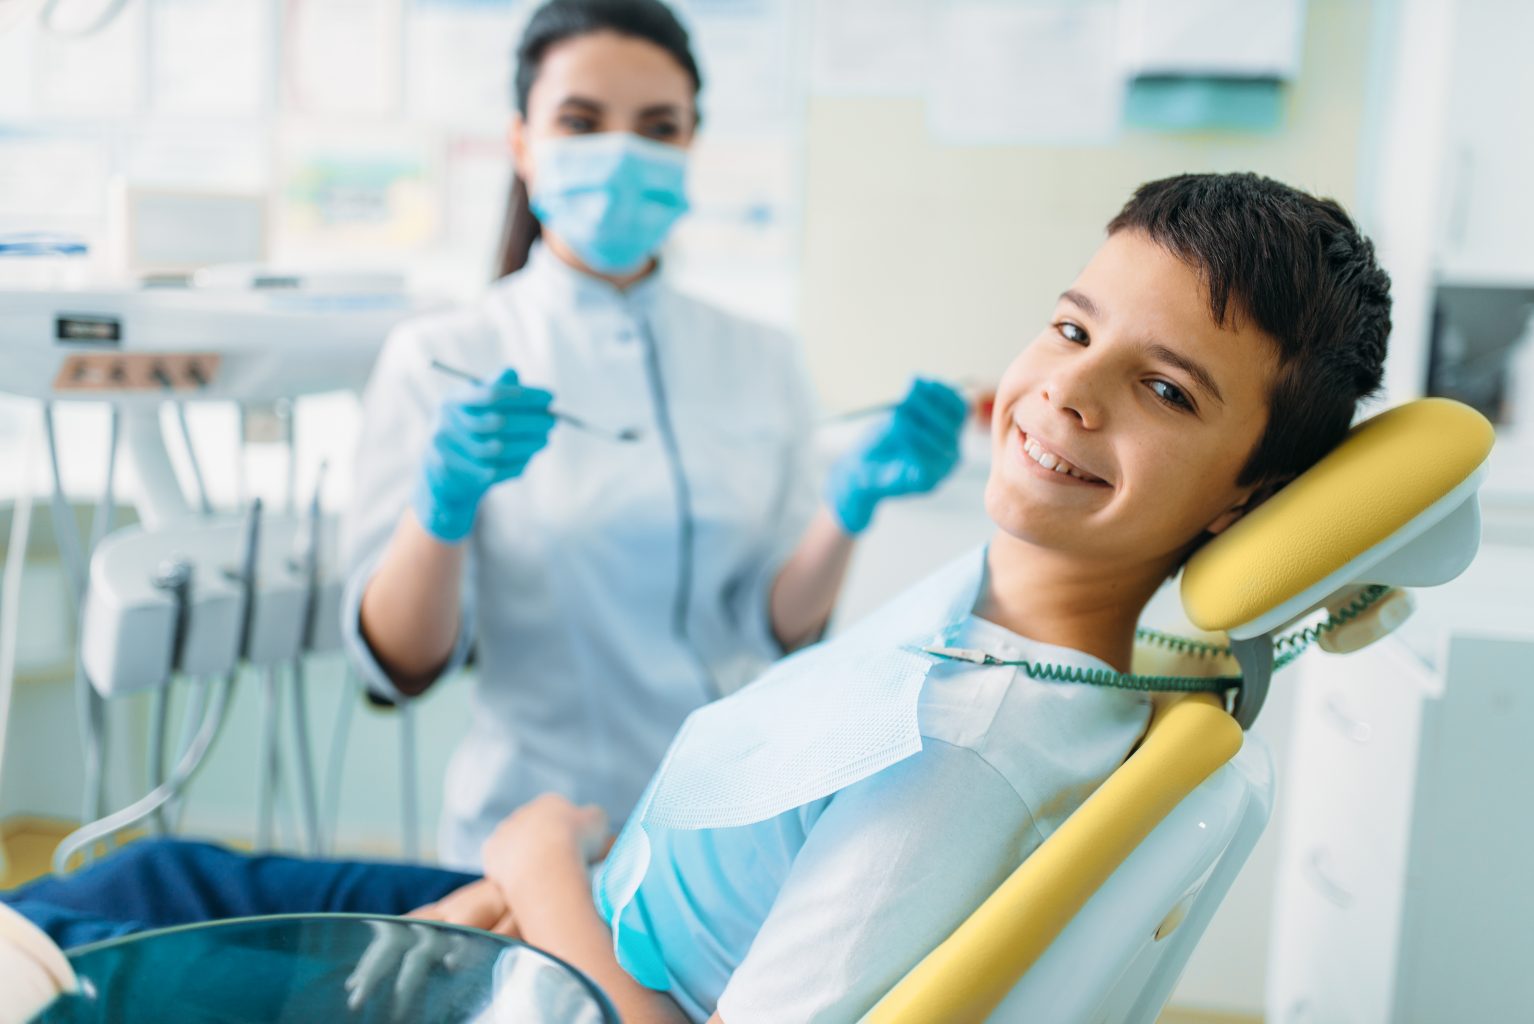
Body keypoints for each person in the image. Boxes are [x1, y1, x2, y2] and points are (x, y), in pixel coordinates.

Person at [2, 172, 1391, 1023]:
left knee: (70, 941)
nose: (1068, 387)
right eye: (1071, 326)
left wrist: (541, 877)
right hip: (595, 885)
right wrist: (534, 879)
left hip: (580, 925)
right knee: (133, 874)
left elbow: (793, 650)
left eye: (1161, 388)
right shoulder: (1019, 633)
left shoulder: (969, 752)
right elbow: (401, 655)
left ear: (1240, 496)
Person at [344, 0, 968, 869]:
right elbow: (400, 666)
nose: (621, 151)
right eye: (581, 121)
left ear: (689, 148)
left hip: (728, 824)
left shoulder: (759, 357)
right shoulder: (444, 358)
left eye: (657, 126)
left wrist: (846, 510)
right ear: (522, 144)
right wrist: (440, 510)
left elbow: (776, 625)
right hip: (531, 838)